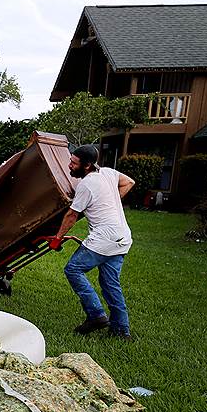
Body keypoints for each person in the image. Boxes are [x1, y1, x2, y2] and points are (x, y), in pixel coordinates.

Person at [48, 145, 136, 339]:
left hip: (103, 239)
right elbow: (129, 182)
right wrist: (109, 201)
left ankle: (96, 315)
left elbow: (72, 215)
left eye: (74, 163)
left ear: (87, 165)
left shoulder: (86, 185)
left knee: (73, 269)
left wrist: (57, 239)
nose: (69, 165)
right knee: (110, 284)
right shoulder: (108, 173)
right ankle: (121, 330)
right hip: (122, 238)